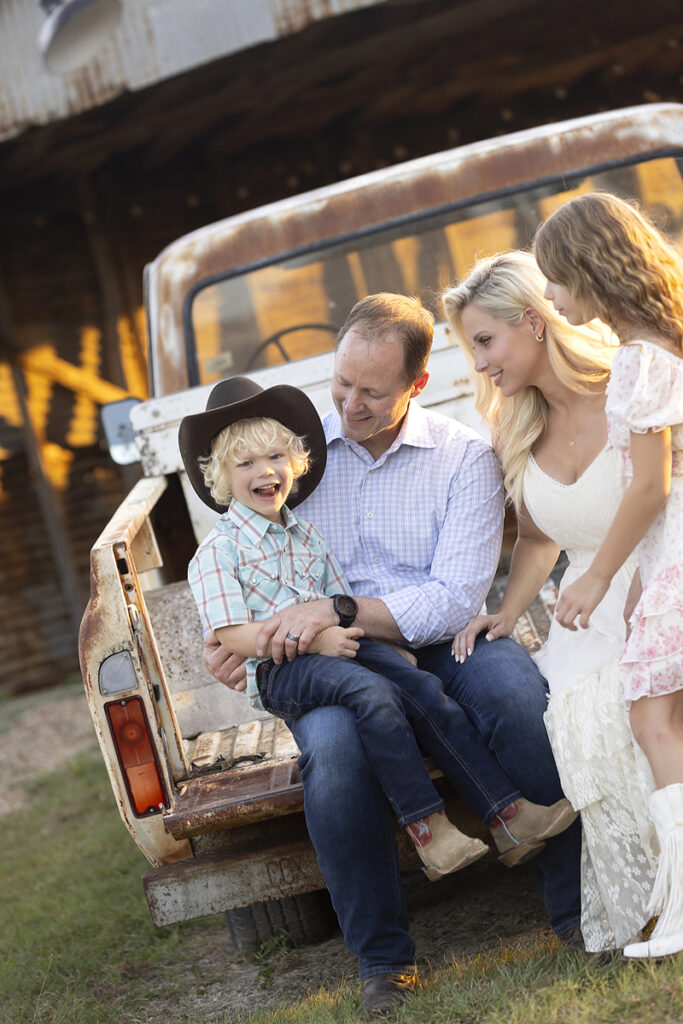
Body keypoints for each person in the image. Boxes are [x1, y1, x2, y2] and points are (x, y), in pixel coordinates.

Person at [201, 293, 583, 1015]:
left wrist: (341, 610)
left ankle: (571, 904)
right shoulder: (293, 457)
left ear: (416, 385)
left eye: (372, 392)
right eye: (340, 384)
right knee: (337, 752)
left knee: (511, 694)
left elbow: (450, 597)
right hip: (326, 660)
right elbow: (240, 549)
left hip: (438, 640)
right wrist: (239, 635)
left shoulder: (462, 459)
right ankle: (382, 958)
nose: (348, 404)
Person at [178, 376, 575, 882]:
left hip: (344, 648)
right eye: (247, 463)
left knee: (425, 689)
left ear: (295, 462)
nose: (266, 471)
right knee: (374, 696)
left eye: (276, 456)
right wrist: (316, 639)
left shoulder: (306, 533)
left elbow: (339, 604)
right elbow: (230, 635)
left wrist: (389, 650)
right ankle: (428, 829)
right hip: (285, 670)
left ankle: (507, 815)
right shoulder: (217, 552)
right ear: (220, 476)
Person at [445, 249, 659, 955]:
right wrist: (508, 612)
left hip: (654, 585)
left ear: (534, 323)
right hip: (580, 613)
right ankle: (649, 900)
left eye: (484, 340)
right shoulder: (515, 426)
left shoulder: (629, 383)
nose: (478, 363)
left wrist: (619, 583)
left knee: (632, 703)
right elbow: (537, 537)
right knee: (570, 712)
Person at [534, 192, 683, 960]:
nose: (552, 299)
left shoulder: (639, 358)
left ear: (589, 269)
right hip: (667, 554)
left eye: (555, 281)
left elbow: (651, 486)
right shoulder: (664, 343)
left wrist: (596, 577)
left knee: (651, 719)